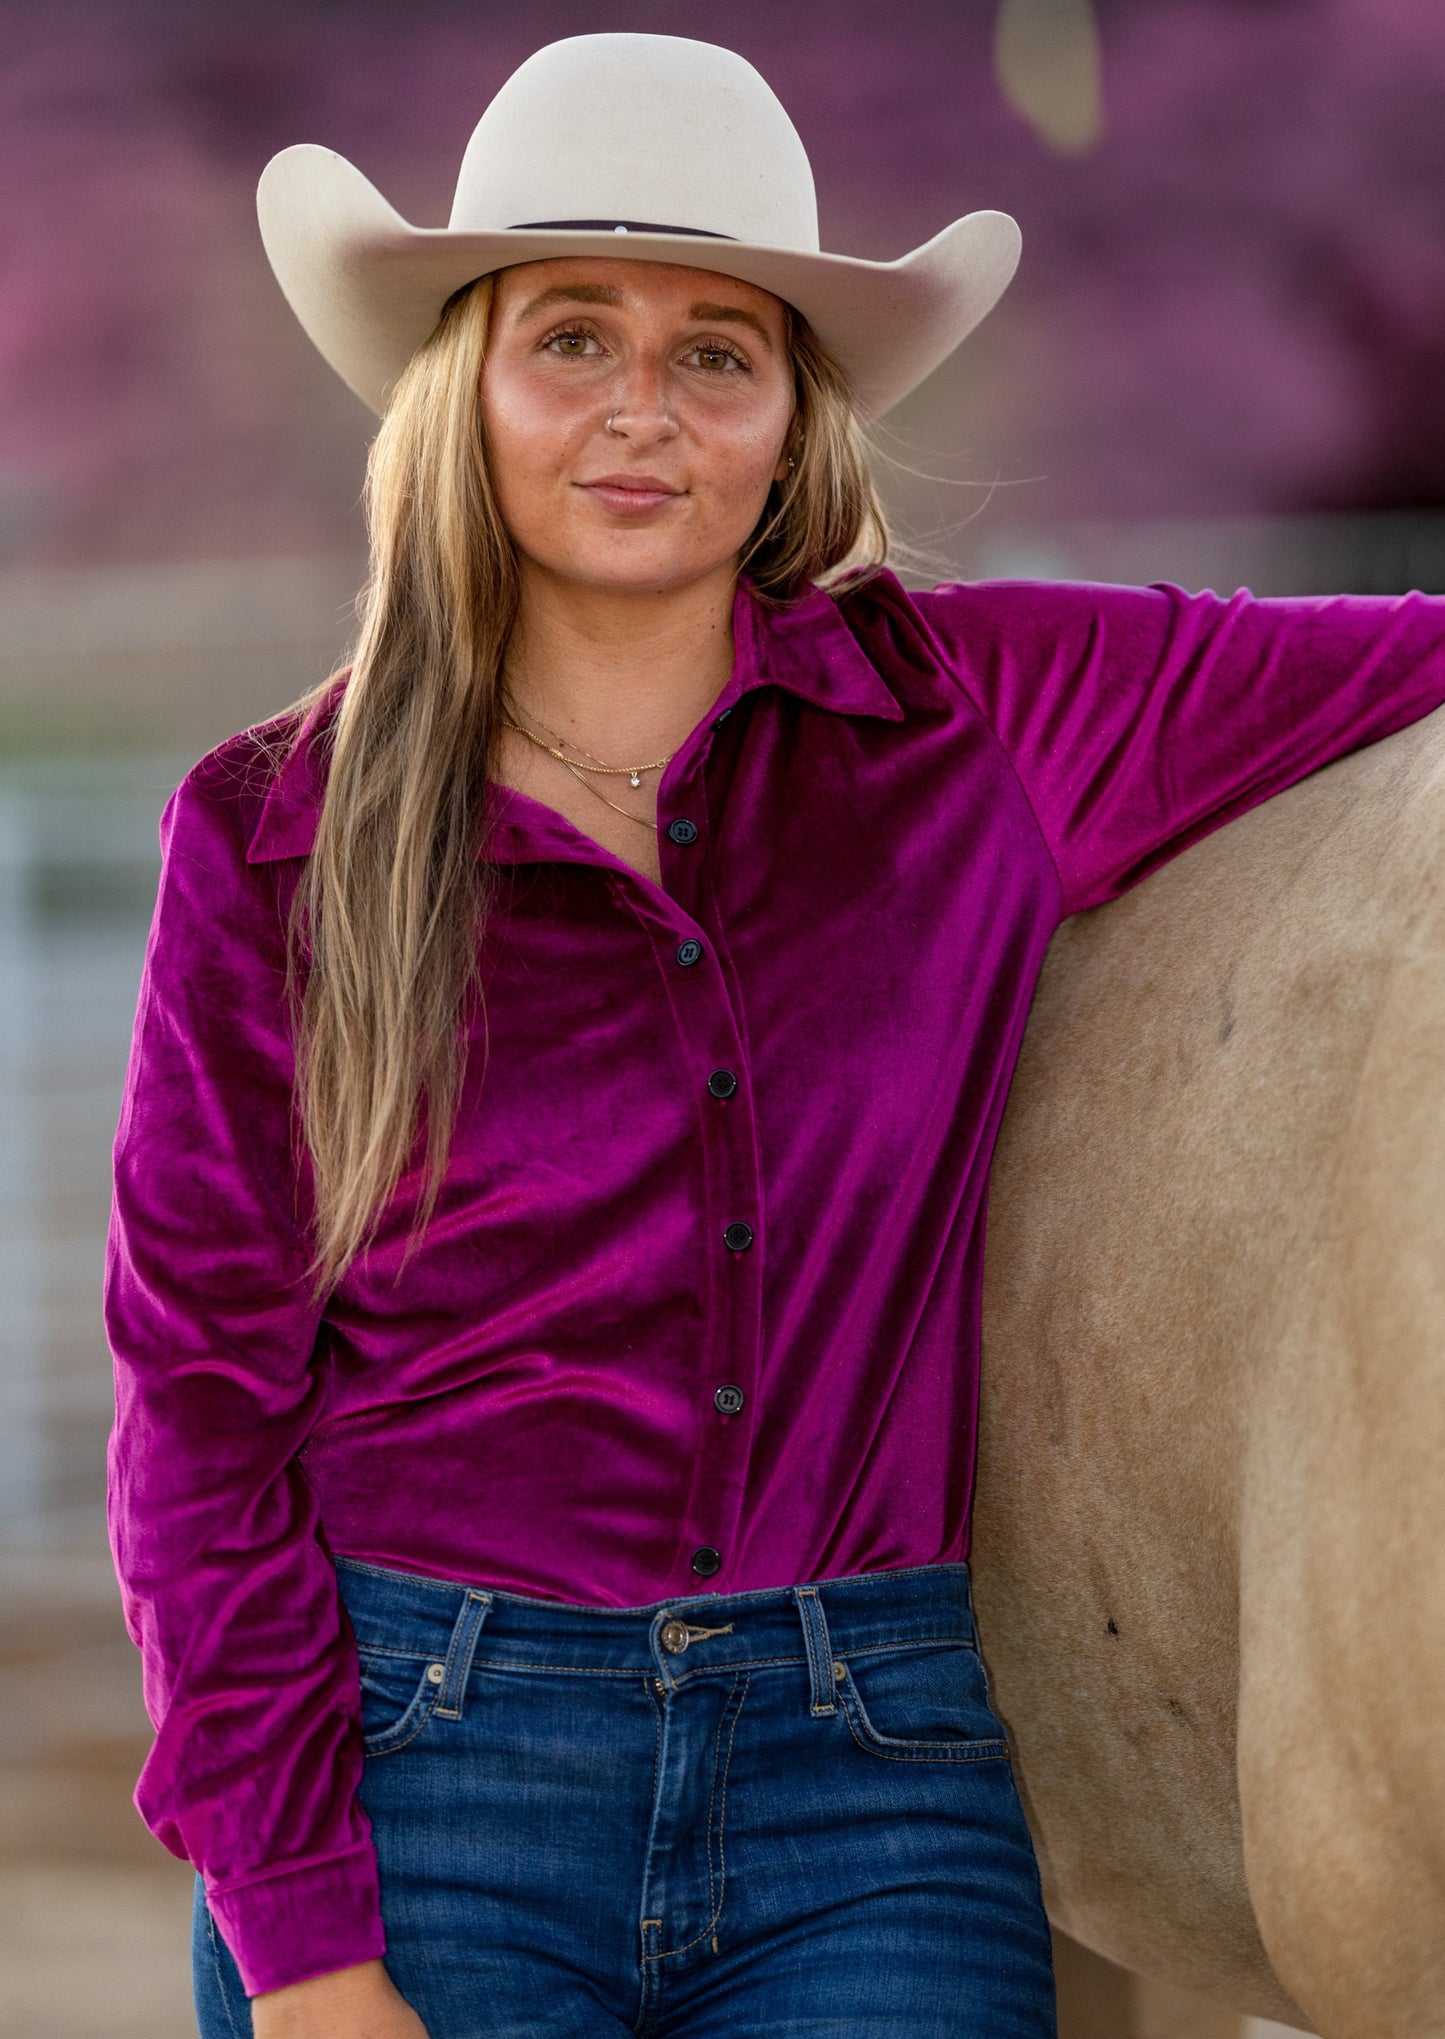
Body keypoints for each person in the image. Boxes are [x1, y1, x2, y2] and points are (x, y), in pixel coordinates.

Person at [103, 31, 1445, 2039]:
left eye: (717, 353)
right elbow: (198, 1422)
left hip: (871, 1789)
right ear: (463, 388)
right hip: (432, 1773)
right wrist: (304, 1949)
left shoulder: (985, 724)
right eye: (574, 338)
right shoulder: (274, 838)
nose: (643, 412)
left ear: (789, 420)